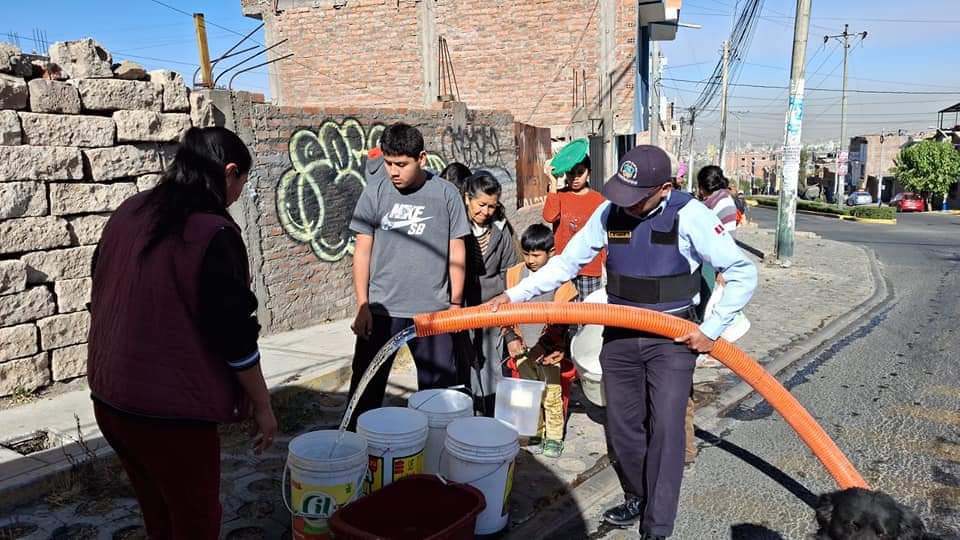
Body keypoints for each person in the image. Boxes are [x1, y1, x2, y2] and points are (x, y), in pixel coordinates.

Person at [487, 145, 757, 539]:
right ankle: (637, 495)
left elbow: (742, 271)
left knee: (666, 431)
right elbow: (565, 263)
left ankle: (656, 527)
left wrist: (710, 329)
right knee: (623, 425)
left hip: (673, 339)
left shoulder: (689, 215)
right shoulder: (611, 210)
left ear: (664, 188)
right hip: (620, 335)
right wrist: (514, 297)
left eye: (637, 197)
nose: (626, 205)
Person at [87, 127, 277, 538]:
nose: (240, 192)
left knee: (158, 511)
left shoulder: (129, 211)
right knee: (195, 520)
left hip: (109, 399)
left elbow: (99, 285)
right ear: (229, 172)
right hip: (169, 416)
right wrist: (262, 403)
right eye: (242, 181)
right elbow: (234, 335)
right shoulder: (211, 233)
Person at [346, 122, 470, 429]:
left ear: (422, 158)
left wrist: (455, 304)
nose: (393, 171)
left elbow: (457, 251)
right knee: (364, 395)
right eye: (388, 163)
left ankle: (434, 461)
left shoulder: (446, 194)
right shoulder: (374, 193)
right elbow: (361, 252)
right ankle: (358, 456)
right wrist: (362, 304)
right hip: (381, 312)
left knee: (438, 398)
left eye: (401, 164)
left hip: (433, 313)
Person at [502, 224, 577, 458]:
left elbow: (568, 319)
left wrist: (553, 345)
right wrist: (511, 337)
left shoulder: (561, 280)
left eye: (536, 255)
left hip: (549, 351)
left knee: (552, 395)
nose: (530, 260)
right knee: (527, 393)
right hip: (523, 347)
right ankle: (532, 431)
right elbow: (505, 311)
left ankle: (553, 436)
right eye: (526, 254)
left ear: (551, 252)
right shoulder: (515, 274)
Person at [461, 171, 518, 414]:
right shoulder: (457, 227)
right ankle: (466, 415)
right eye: (481, 205)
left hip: (493, 310)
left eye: (491, 206)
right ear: (467, 199)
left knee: (493, 368)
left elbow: (510, 272)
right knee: (465, 366)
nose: (486, 212)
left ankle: (490, 417)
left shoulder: (502, 230)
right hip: (462, 311)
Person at [542, 139, 607, 299]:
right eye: (571, 173)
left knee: (588, 316)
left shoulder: (599, 200)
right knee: (564, 315)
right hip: (564, 265)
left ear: (589, 172)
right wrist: (553, 182)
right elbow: (549, 216)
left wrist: (606, 265)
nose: (575, 178)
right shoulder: (559, 194)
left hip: (589, 268)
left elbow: (603, 233)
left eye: (580, 172)